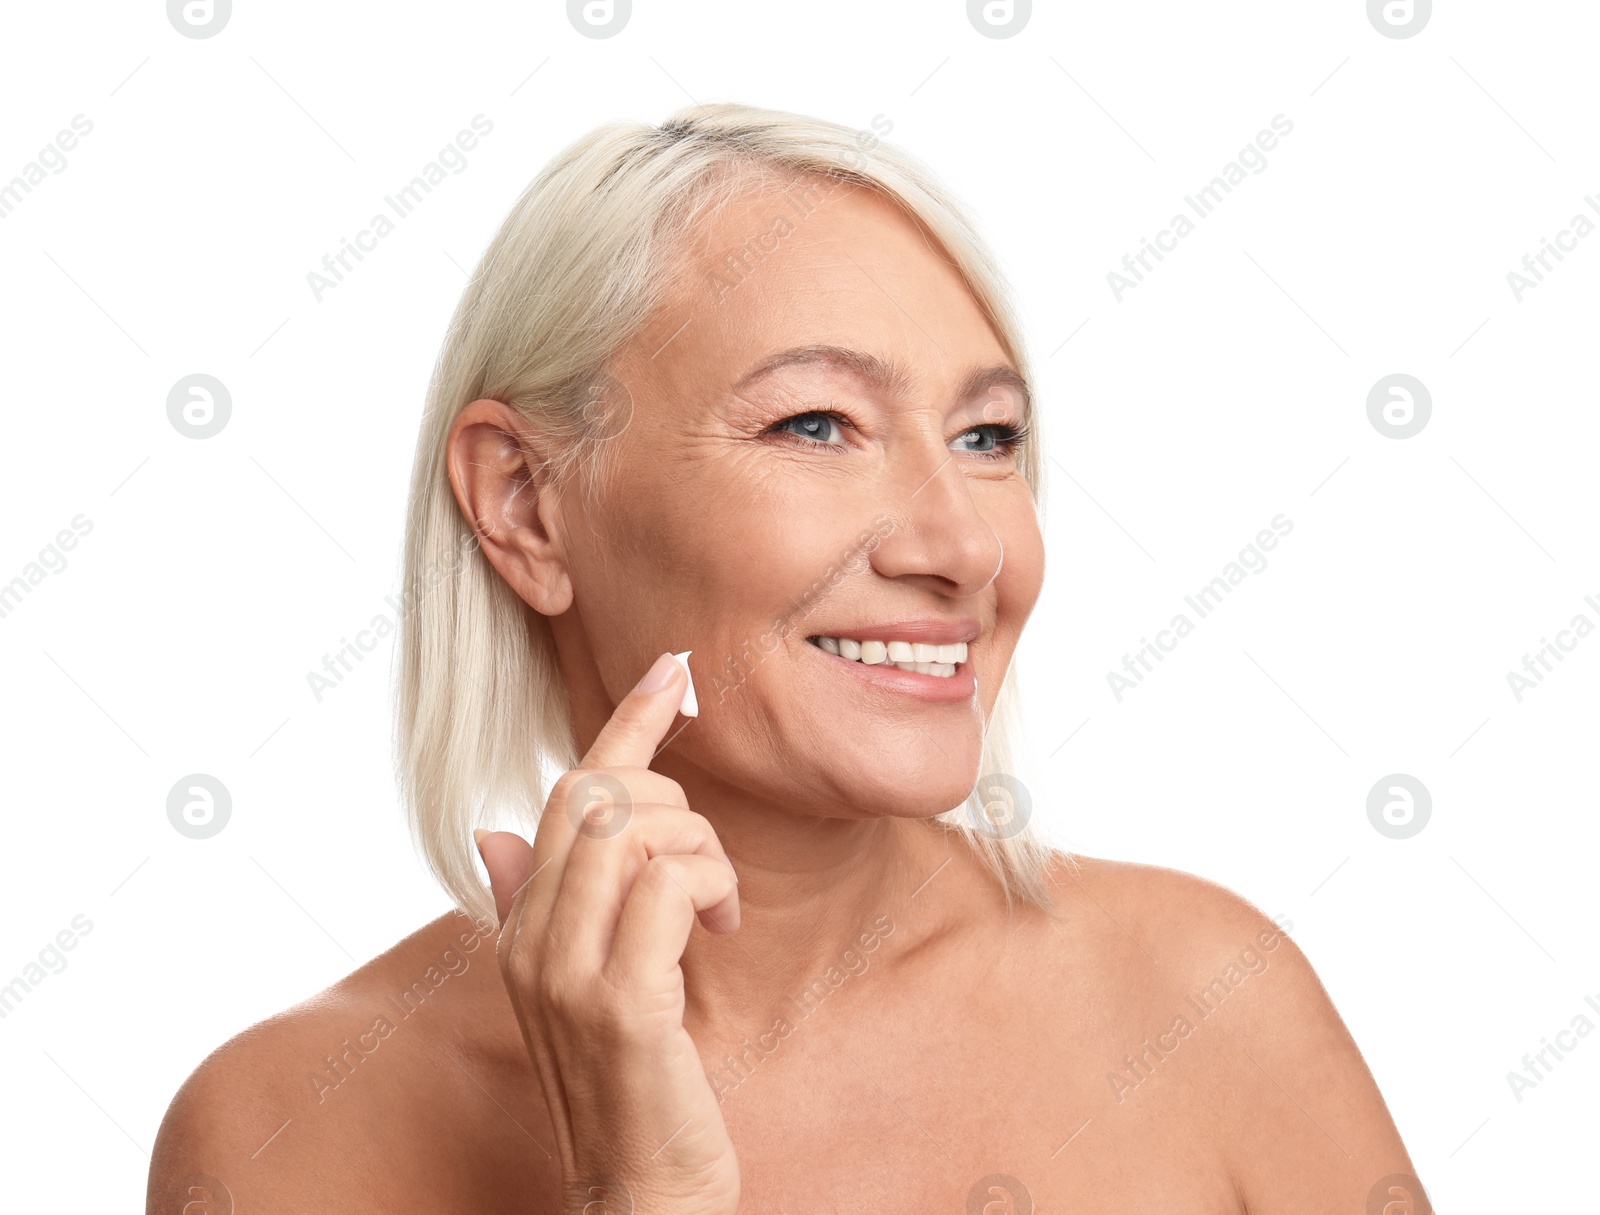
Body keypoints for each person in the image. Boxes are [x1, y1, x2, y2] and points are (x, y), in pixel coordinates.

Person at [148, 103, 1426, 1214]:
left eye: (987, 438)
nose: (964, 545)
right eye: (817, 423)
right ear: (527, 505)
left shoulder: (1203, 1005)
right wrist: (636, 1193)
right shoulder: (283, 1136)